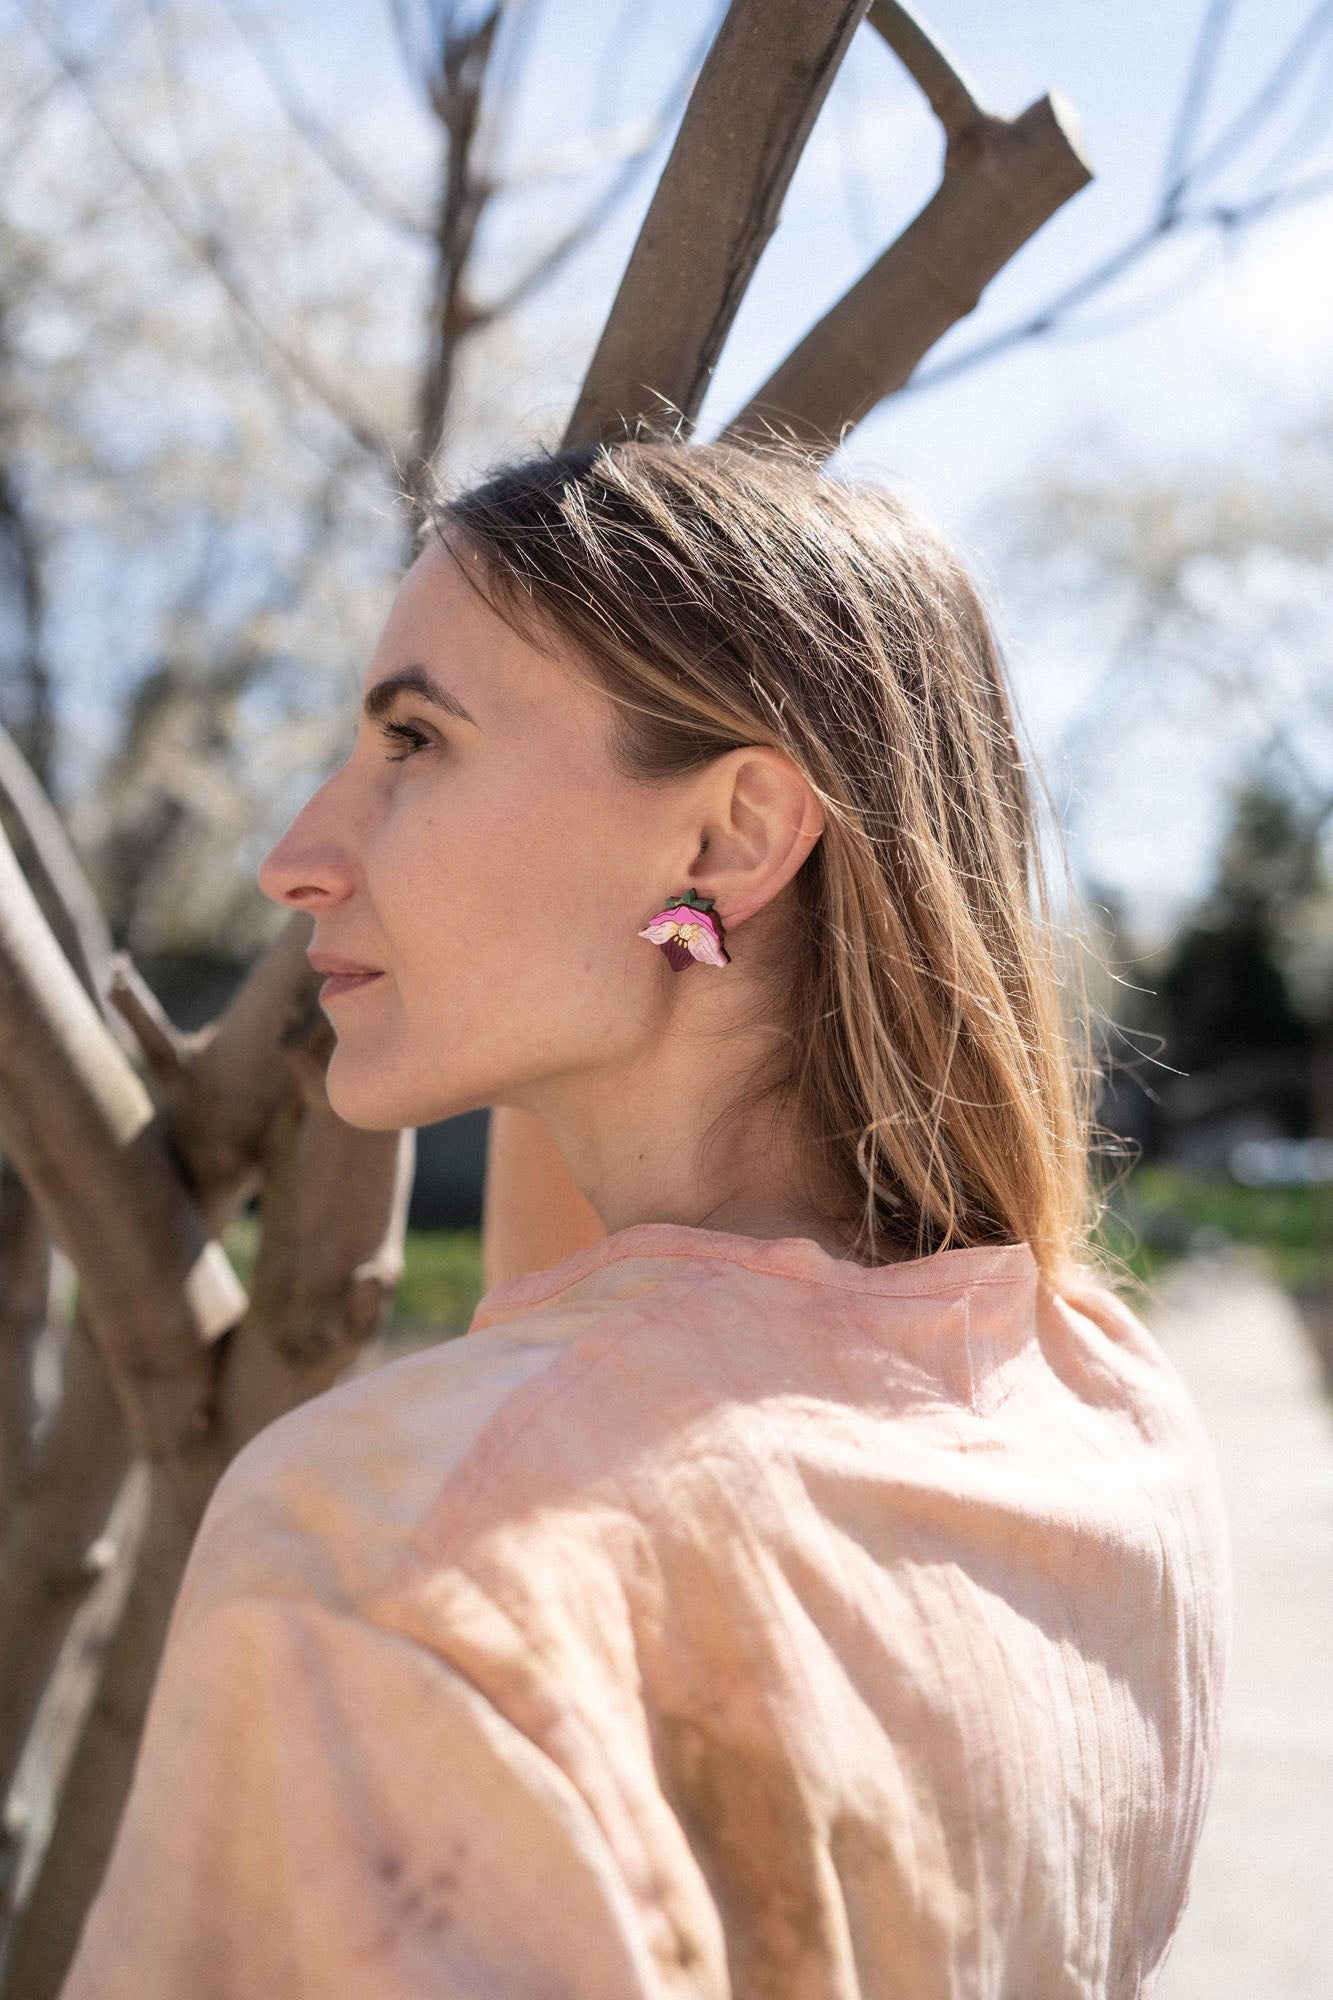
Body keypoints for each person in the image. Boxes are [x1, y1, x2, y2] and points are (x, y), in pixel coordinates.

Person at [58, 439, 1232, 1999]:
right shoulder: (1104, 1417)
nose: (294, 860)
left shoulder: (396, 1554)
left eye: (412, 739)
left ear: (729, 840)